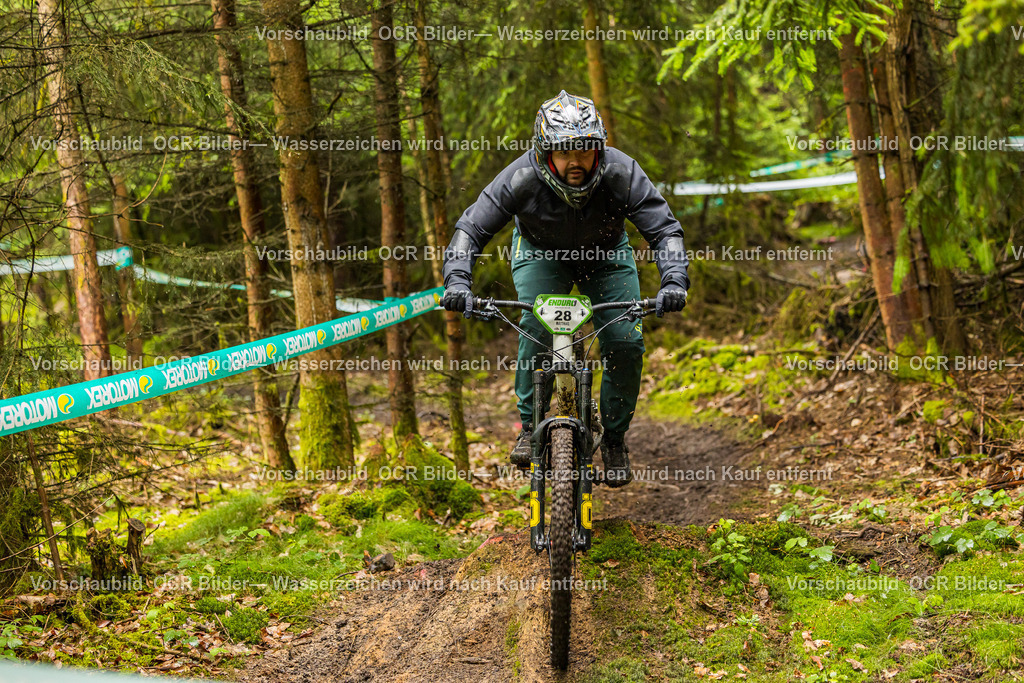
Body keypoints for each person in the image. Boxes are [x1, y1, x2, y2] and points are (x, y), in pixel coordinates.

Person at [440, 90, 689, 487]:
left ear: (599, 147)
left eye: (584, 149)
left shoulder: (621, 171)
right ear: (544, 150)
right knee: (536, 327)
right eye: (564, 151)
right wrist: (457, 279)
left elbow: (664, 229)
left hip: (605, 255)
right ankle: (529, 425)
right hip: (540, 253)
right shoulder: (521, 176)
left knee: (625, 341)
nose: (575, 162)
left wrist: (674, 279)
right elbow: (471, 227)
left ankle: (615, 437)